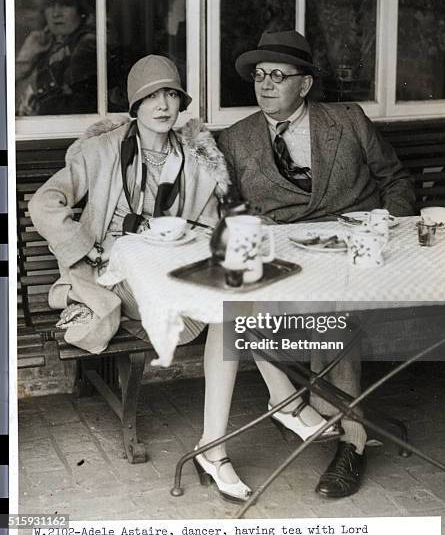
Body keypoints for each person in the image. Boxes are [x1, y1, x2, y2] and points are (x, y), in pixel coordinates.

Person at [28, 54, 252, 503]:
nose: (163, 105)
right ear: (135, 105)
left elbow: (209, 223)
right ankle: (256, 425)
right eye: (152, 96)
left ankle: (219, 442)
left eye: (171, 94)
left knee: (237, 304)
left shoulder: (192, 157)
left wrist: (197, 231)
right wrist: (87, 247)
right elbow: (43, 203)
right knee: (230, 309)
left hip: (169, 268)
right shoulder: (102, 150)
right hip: (116, 274)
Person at [218, 30, 416, 498]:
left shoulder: (347, 121)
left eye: (278, 76)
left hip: (359, 252)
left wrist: (388, 226)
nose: (265, 85)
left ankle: (349, 440)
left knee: (336, 312)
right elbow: (229, 212)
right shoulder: (235, 139)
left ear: (304, 85)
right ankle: (336, 420)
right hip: (286, 257)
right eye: (259, 76)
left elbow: (395, 179)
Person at [16, 0, 97, 116]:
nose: (56, 13)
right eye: (50, 5)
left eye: (66, 5)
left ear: (81, 10)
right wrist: (26, 57)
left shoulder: (87, 44)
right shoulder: (44, 42)